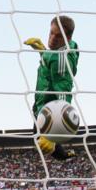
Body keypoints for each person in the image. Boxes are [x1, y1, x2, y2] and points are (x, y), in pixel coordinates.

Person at [24, 15, 79, 161]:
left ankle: (63, 155)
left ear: (67, 38)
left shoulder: (60, 59)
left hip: (48, 107)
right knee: (37, 137)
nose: (52, 39)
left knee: (39, 139)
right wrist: (43, 52)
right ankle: (62, 154)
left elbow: (63, 95)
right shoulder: (69, 46)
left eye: (58, 36)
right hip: (42, 100)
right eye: (51, 33)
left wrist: (52, 135)